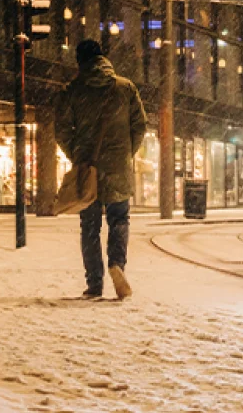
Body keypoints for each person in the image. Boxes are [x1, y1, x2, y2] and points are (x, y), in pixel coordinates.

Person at [55, 40, 147, 300]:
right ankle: (117, 263)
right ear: (103, 57)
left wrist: (77, 155)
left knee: (90, 225)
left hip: (88, 168)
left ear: (80, 61)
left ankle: (94, 284)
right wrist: (124, 154)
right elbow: (140, 125)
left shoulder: (72, 90)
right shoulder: (125, 87)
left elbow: (61, 131)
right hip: (118, 168)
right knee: (119, 219)